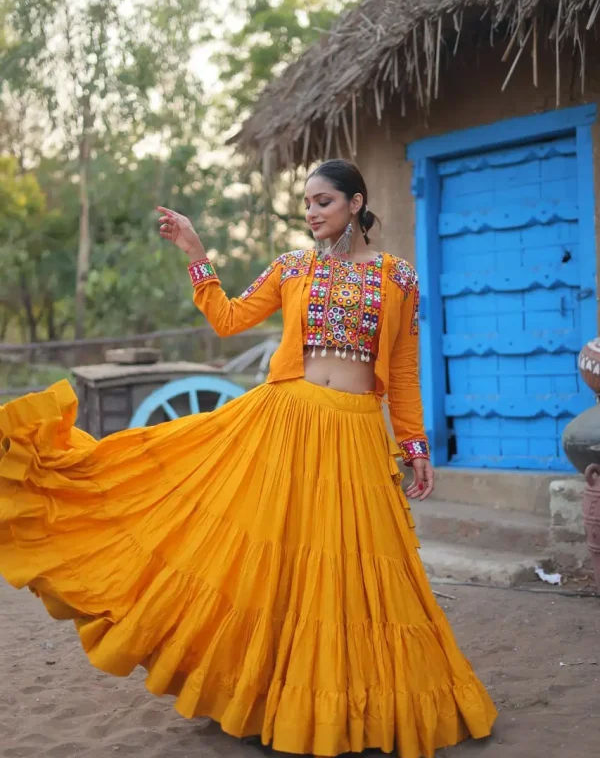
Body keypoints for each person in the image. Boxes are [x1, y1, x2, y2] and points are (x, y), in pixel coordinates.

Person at [0, 159, 496, 758]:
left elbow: (405, 371)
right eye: (306, 203)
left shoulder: (400, 278)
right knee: (277, 565)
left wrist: (414, 445)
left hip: (359, 436)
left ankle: (353, 705)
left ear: (356, 202)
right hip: (285, 426)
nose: (311, 212)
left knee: (358, 571)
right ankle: (270, 700)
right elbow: (228, 318)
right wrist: (195, 251)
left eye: (322, 201)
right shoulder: (292, 268)